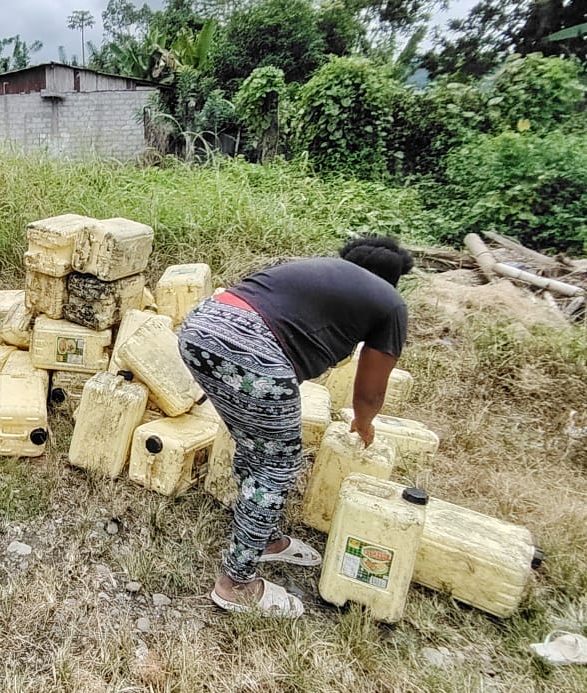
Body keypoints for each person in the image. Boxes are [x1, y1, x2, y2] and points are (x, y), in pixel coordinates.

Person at [177, 236, 414, 618]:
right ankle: (236, 584)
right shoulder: (390, 302)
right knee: (277, 464)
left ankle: (265, 539)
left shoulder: (316, 269)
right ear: (394, 279)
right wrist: (364, 422)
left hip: (199, 328)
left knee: (257, 444)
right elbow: (370, 390)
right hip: (252, 351)